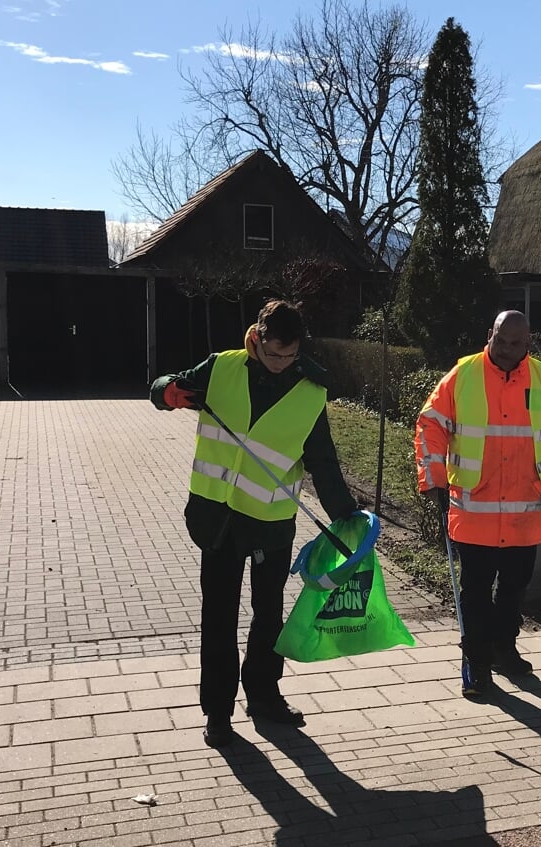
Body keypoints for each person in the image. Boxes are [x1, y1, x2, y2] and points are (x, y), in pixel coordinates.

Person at [150, 299, 357, 747]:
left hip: (270, 522)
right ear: (256, 338)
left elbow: (323, 460)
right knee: (218, 617)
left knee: (269, 617)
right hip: (217, 517)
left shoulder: (310, 391)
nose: (280, 364)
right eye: (272, 353)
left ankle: (264, 696)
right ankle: (218, 712)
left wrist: (347, 515)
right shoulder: (222, 367)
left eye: (289, 355)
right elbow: (162, 387)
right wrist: (168, 392)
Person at [416, 310, 541, 698]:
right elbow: (430, 424)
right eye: (499, 340)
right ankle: (478, 662)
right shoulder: (463, 376)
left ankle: (504, 649)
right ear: (490, 334)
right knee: (475, 592)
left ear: (528, 343)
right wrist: (433, 479)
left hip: (524, 512)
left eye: (514, 343)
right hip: (475, 512)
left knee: (513, 590)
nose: (505, 350)